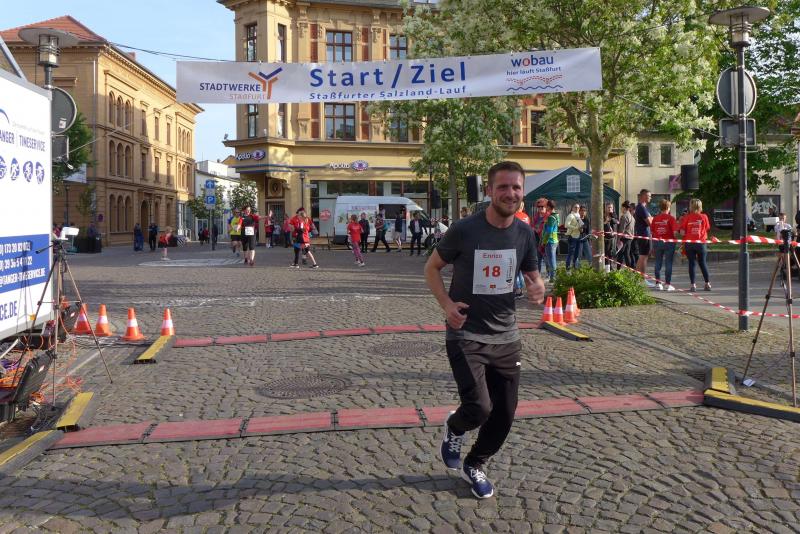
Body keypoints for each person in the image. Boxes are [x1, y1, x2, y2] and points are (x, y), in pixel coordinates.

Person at [424, 160, 545, 499]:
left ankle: (475, 463)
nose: (510, 193)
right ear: (489, 190)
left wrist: (538, 287)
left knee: (505, 413)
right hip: (465, 333)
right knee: (479, 408)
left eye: (516, 187)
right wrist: (447, 305)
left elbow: (533, 275)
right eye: (503, 187)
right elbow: (432, 268)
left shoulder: (525, 233)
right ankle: (455, 426)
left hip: (507, 337)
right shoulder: (464, 229)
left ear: (523, 191)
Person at [678, 198, 711, 292]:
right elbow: (707, 228)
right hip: (701, 243)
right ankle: (707, 283)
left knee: (691, 264)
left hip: (690, 243)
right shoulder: (704, 216)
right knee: (703, 263)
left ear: (691, 206)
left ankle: (693, 285)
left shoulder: (687, 217)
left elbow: (682, 232)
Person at [651, 199, 678, 291]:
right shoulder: (671, 218)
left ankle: (658, 283)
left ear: (660, 207)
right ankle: (667, 284)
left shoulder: (655, 218)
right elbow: (675, 233)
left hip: (658, 242)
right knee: (668, 263)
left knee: (658, 262)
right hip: (669, 243)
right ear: (669, 207)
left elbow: (652, 232)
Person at [634, 189, 653, 285]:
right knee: (643, 257)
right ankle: (641, 279)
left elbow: (650, 220)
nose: (650, 198)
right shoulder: (641, 207)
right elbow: (650, 222)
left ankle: (639, 278)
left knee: (643, 256)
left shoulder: (642, 207)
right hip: (644, 235)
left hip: (644, 234)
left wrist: (651, 218)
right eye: (649, 196)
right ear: (643, 196)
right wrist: (651, 218)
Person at [514, 203, 530, 297]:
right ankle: (521, 288)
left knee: (515, 269)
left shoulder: (514, 216)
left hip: (516, 244)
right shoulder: (526, 217)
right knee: (520, 268)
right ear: (522, 207)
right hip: (525, 245)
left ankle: (518, 290)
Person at [541, 200, 559, 282]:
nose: (545, 208)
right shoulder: (556, 215)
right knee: (553, 259)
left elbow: (549, 231)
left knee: (551, 261)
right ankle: (553, 277)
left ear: (548, 207)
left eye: (546, 206)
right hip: (554, 240)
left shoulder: (551, 217)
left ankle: (553, 278)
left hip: (550, 241)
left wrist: (544, 242)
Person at [530, 198, 548, 273]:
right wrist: (534, 229)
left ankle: (549, 274)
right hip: (536, 240)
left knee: (546, 258)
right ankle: (538, 274)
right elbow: (532, 225)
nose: (540, 208)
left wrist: (539, 230)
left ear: (546, 207)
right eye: (539, 207)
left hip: (545, 240)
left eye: (542, 207)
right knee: (538, 259)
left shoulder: (548, 216)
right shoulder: (536, 216)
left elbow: (547, 229)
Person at [616, 201, 635, 269]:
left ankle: (618, 270)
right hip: (630, 238)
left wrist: (618, 239)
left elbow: (621, 229)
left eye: (621, 208)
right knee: (627, 254)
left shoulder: (624, 216)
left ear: (624, 208)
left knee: (620, 254)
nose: (621, 209)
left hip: (624, 238)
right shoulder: (632, 217)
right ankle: (629, 270)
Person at [564, 203, 583, 269]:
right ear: (572, 208)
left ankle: (574, 267)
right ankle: (568, 268)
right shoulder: (570, 215)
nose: (577, 208)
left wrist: (581, 228)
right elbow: (566, 225)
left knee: (576, 254)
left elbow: (580, 225)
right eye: (575, 207)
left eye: (578, 207)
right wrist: (576, 228)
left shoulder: (578, 215)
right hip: (572, 236)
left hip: (578, 236)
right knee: (570, 253)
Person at [603, 203, 618, 269]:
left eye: (611, 207)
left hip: (612, 238)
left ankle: (610, 267)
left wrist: (612, 218)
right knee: (606, 254)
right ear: (605, 208)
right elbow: (601, 226)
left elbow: (617, 222)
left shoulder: (613, 215)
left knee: (611, 254)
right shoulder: (603, 216)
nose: (610, 209)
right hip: (605, 238)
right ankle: (607, 269)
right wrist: (606, 221)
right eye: (608, 207)